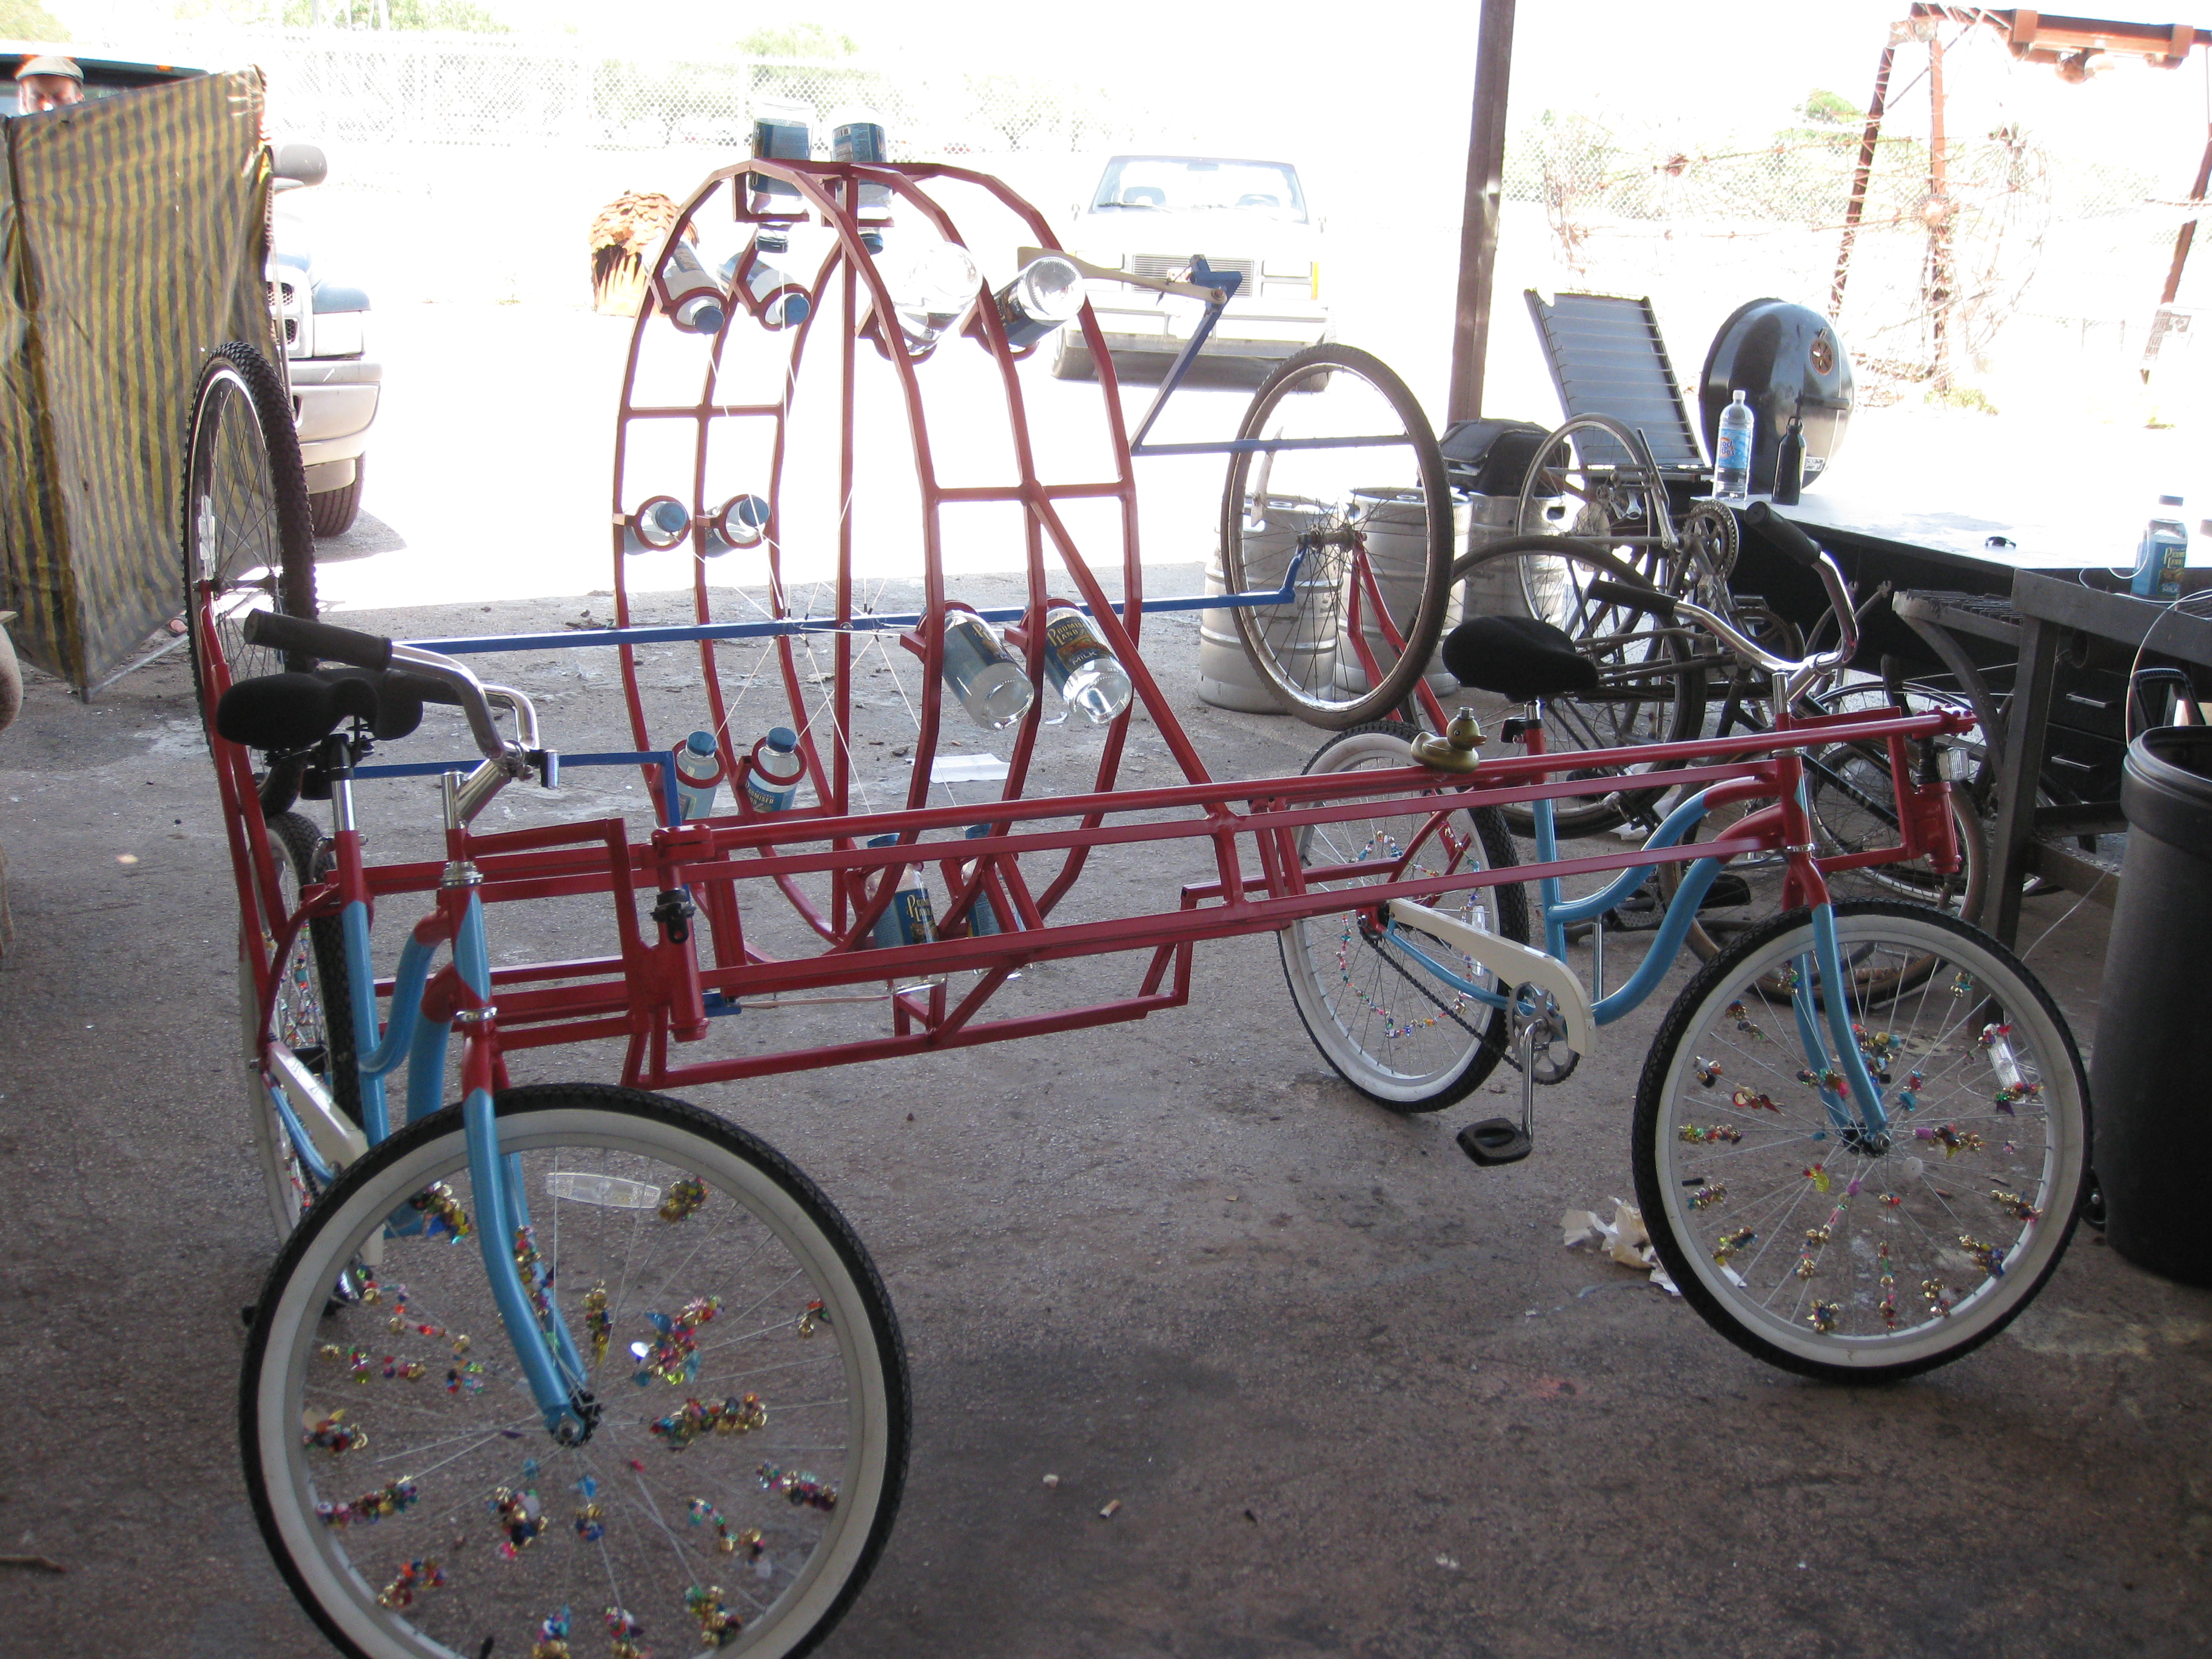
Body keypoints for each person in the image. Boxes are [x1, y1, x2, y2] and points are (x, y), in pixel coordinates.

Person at [14, 55, 85, 113]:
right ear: (24, 103)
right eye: (37, 98)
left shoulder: (92, 130)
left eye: (60, 98)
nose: (48, 107)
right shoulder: (10, 130)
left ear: (80, 102)